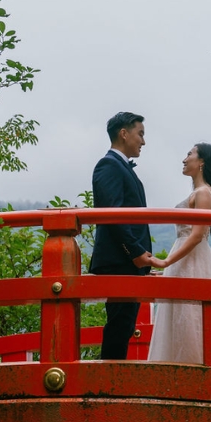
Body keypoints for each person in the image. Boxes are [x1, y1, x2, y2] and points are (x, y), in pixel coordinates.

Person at [147, 143, 211, 364]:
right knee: (182, 318)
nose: (184, 159)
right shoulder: (199, 192)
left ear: (202, 162)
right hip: (185, 259)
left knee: (190, 319)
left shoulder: (203, 193)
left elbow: (197, 234)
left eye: (189, 154)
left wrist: (165, 262)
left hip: (191, 259)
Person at [89, 112, 154, 359]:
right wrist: (135, 253)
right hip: (120, 261)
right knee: (119, 324)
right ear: (123, 133)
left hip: (128, 261)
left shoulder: (120, 166)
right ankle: (108, 384)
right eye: (141, 134)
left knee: (124, 325)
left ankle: (111, 382)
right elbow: (112, 214)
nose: (143, 141)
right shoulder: (108, 165)